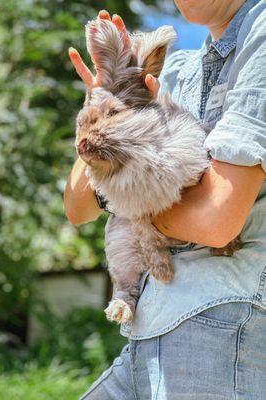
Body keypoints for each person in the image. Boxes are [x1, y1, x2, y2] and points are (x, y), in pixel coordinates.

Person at [65, 0, 266, 398]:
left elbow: (215, 221)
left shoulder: (260, 32)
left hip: (219, 320)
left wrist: (124, 201)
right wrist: (103, 97)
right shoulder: (175, 71)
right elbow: (79, 206)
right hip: (147, 327)